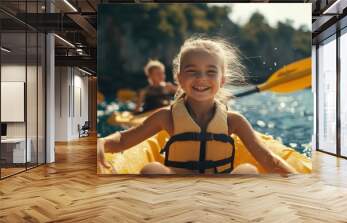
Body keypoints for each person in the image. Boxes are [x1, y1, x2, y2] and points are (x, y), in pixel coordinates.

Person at [98, 36, 297, 175]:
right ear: (179, 79)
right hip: (177, 183)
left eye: (211, 72)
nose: (201, 78)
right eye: (192, 71)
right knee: (152, 169)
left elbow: (269, 160)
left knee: (248, 171)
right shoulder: (165, 117)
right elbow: (124, 140)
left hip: (220, 186)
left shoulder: (234, 121)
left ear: (222, 80)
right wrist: (102, 143)